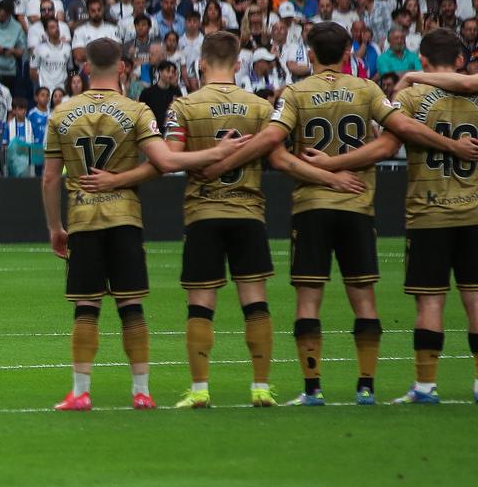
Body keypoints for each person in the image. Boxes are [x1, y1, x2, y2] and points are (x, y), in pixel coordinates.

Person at [202, 22, 478, 405]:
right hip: (360, 204)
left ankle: (313, 389)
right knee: (367, 298)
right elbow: (391, 138)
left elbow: (274, 147)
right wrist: (452, 145)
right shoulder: (368, 90)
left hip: (314, 207)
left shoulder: (296, 92)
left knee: (309, 299)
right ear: (350, 53)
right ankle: (366, 387)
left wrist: (222, 163)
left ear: (309, 54)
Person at [92, 31, 361, 408]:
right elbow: (281, 160)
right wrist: (330, 175)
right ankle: (261, 387)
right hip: (248, 212)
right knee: (255, 301)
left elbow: (166, 160)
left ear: (201, 63)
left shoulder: (183, 106)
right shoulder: (260, 107)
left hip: (203, 212)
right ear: (238, 64)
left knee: (200, 304)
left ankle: (200, 390)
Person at [41, 37, 243, 411]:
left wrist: (55, 227)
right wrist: (218, 152)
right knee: (130, 305)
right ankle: (141, 391)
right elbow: (163, 163)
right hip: (124, 219)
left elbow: (50, 179)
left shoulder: (61, 113)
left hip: (83, 220)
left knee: (86, 307)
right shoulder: (137, 111)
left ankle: (80, 391)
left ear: (85, 67)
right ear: (123, 68)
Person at [315, 30, 478, 404]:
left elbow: (385, 147)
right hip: (474, 211)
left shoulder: (409, 96)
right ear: (459, 60)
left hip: (429, 212)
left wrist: (333, 165)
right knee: (475, 299)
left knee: (430, 302)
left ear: (421, 61)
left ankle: (424, 386)